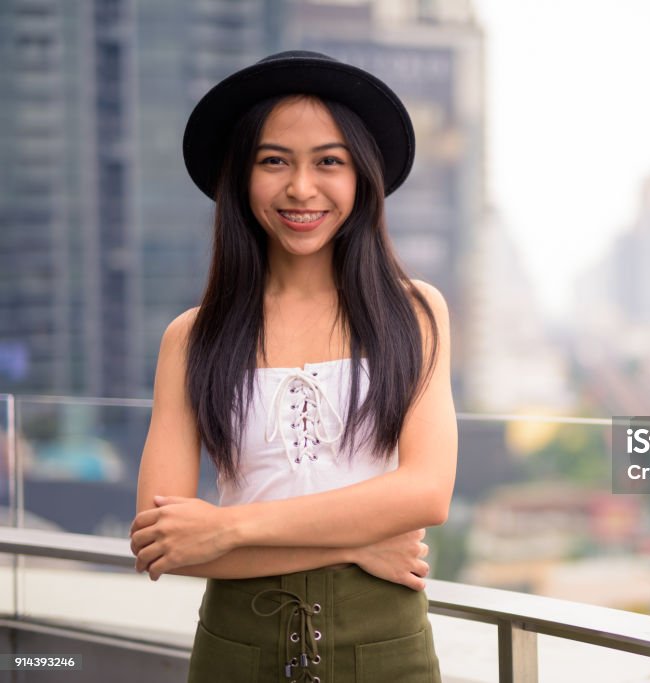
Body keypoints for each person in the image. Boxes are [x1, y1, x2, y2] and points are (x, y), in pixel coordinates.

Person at [129, 50, 456, 682]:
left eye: (328, 162)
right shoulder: (192, 338)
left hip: (387, 650)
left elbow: (425, 493)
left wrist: (227, 528)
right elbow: (162, 541)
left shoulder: (414, 312)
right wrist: (357, 542)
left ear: (361, 177)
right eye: (273, 161)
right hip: (235, 653)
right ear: (240, 178)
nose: (301, 188)